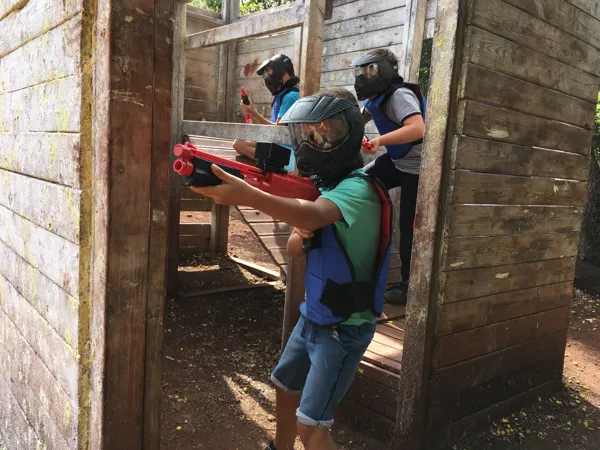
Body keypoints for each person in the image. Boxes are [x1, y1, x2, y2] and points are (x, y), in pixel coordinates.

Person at [190, 88, 393, 450]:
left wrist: (251, 196)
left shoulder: (357, 190)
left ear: (345, 135)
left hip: (345, 328)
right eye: (308, 133)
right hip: (313, 317)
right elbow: (295, 248)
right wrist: (302, 231)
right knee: (284, 386)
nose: (312, 141)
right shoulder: (324, 188)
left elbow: (315, 214)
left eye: (323, 132)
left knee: (312, 428)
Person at [351, 47, 426, 305]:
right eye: (362, 71)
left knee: (409, 229)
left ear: (383, 71)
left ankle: (408, 286)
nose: (363, 76)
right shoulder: (375, 98)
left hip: (419, 170)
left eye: (369, 70)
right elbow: (358, 121)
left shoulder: (400, 95)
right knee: (360, 182)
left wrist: (379, 140)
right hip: (397, 161)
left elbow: (417, 128)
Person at [233, 53, 300, 173]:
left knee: (240, 145)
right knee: (239, 142)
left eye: (270, 73)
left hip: (287, 154)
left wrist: (253, 112)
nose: (269, 78)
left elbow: (276, 131)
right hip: (279, 145)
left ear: (284, 74)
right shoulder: (286, 94)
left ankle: (278, 166)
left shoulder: (290, 97)